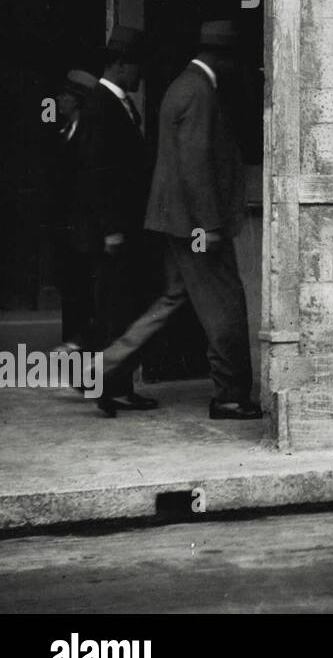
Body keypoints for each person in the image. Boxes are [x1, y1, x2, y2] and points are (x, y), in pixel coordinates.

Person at [96, 21, 261, 420]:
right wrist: (208, 225)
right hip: (196, 226)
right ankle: (230, 397)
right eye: (234, 61)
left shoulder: (181, 86)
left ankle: (101, 369)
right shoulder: (200, 92)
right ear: (222, 57)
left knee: (172, 300)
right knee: (226, 306)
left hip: (176, 222)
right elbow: (194, 166)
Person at [78, 27, 155, 399]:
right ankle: (110, 386)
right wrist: (111, 228)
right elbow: (97, 173)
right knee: (115, 306)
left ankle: (103, 381)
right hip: (114, 228)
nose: (141, 75)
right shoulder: (101, 106)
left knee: (119, 304)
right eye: (137, 66)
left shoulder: (117, 103)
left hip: (124, 225)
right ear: (122, 64)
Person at [54, 68, 99, 351]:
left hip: (85, 231)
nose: (58, 100)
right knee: (72, 294)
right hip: (69, 231)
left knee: (85, 297)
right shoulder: (64, 132)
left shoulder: (88, 136)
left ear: (78, 100)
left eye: (64, 95)